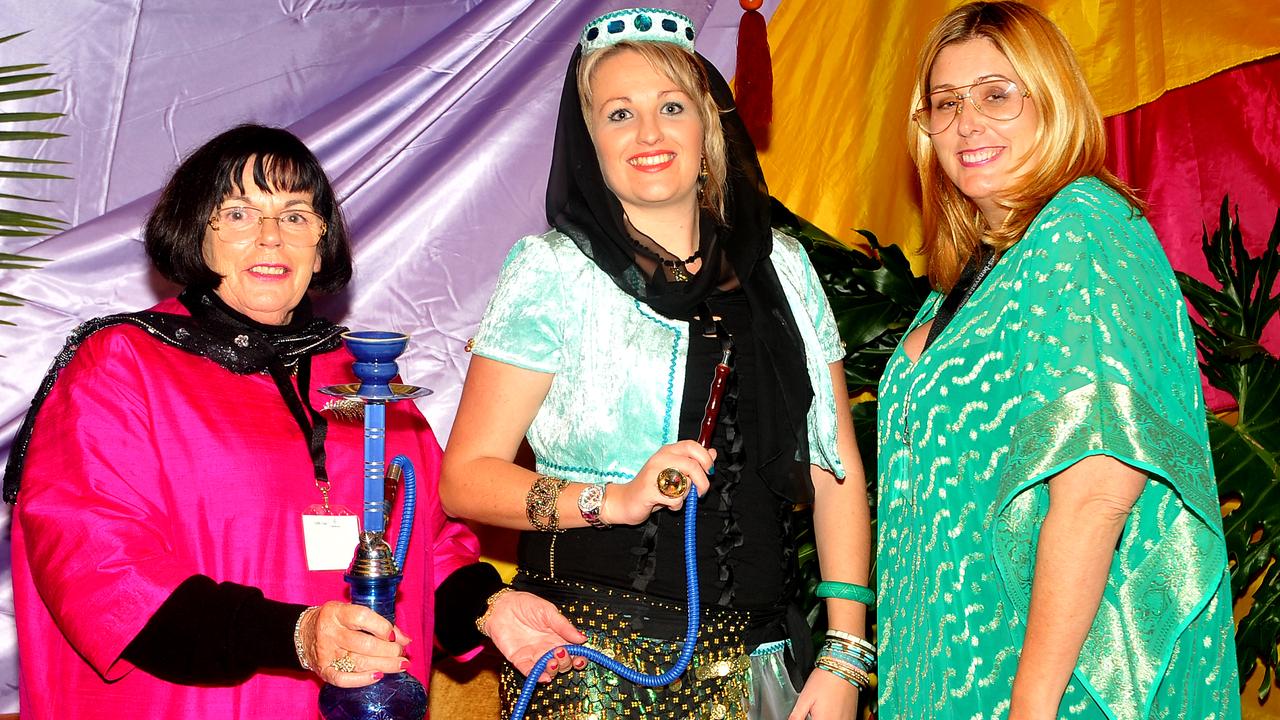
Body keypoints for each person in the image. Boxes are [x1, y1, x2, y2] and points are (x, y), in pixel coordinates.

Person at [3, 124, 557, 719]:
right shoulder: (121, 363)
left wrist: (489, 608)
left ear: (322, 243)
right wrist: (293, 635)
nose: (271, 237)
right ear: (195, 232)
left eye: (295, 216)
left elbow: (429, 544)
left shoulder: (366, 379)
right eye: (238, 214)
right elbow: (96, 564)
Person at [441, 8, 873, 720]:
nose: (648, 134)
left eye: (671, 107)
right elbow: (466, 479)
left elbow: (837, 469)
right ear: (591, 145)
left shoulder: (786, 268)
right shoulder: (552, 271)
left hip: (768, 662)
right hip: (595, 661)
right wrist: (611, 499)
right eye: (618, 114)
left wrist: (845, 655)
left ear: (707, 128)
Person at [877, 2, 1241, 718]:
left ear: (1053, 102)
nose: (966, 123)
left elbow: (1102, 483)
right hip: (948, 671)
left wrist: (1031, 706)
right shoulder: (971, 274)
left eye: (996, 94)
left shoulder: (1080, 229)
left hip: (1052, 688)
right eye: (945, 104)